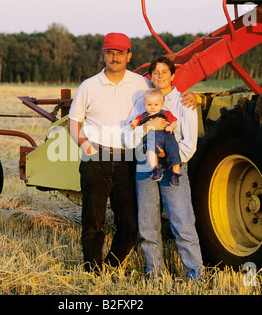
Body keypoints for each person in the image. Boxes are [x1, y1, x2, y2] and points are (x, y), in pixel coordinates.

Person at [68, 33, 197, 273]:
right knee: (92, 220)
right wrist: (88, 148)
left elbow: (165, 95)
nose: (114, 57)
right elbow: (73, 122)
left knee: (129, 222)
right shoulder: (89, 85)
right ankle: (93, 271)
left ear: (129, 56)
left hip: (129, 159)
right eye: (109, 52)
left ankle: (112, 265)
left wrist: (190, 96)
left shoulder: (141, 83)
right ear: (103, 54)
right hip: (97, 158)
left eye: (119, 53)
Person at [123, 56, 203, 279]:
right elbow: (128, 138)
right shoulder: (142, 102)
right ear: (150, 76)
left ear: (173, 75)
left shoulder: (184, 101)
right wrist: (146, 126)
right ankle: (155, 275)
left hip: (172, 168)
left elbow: (189, 144)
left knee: (183, 223)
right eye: (155, 73)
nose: (160, 76)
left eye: (164, 72)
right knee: (148, 226)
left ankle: (195, 275)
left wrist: (169, 158)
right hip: (145, 167)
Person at [130, 88, 182, 186]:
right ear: (144, 104)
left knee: (174, 150)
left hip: (167, 136)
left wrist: (171, 126)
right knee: (150, 150)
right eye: (149, 105)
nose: (153, 107)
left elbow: (174, 122)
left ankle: (175, 173)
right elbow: (133, 126)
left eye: (156, 104)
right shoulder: (142, 117)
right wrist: (133, 124)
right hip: (152, 138)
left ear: (162, 105)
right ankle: (155, 168)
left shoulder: (166, 114)